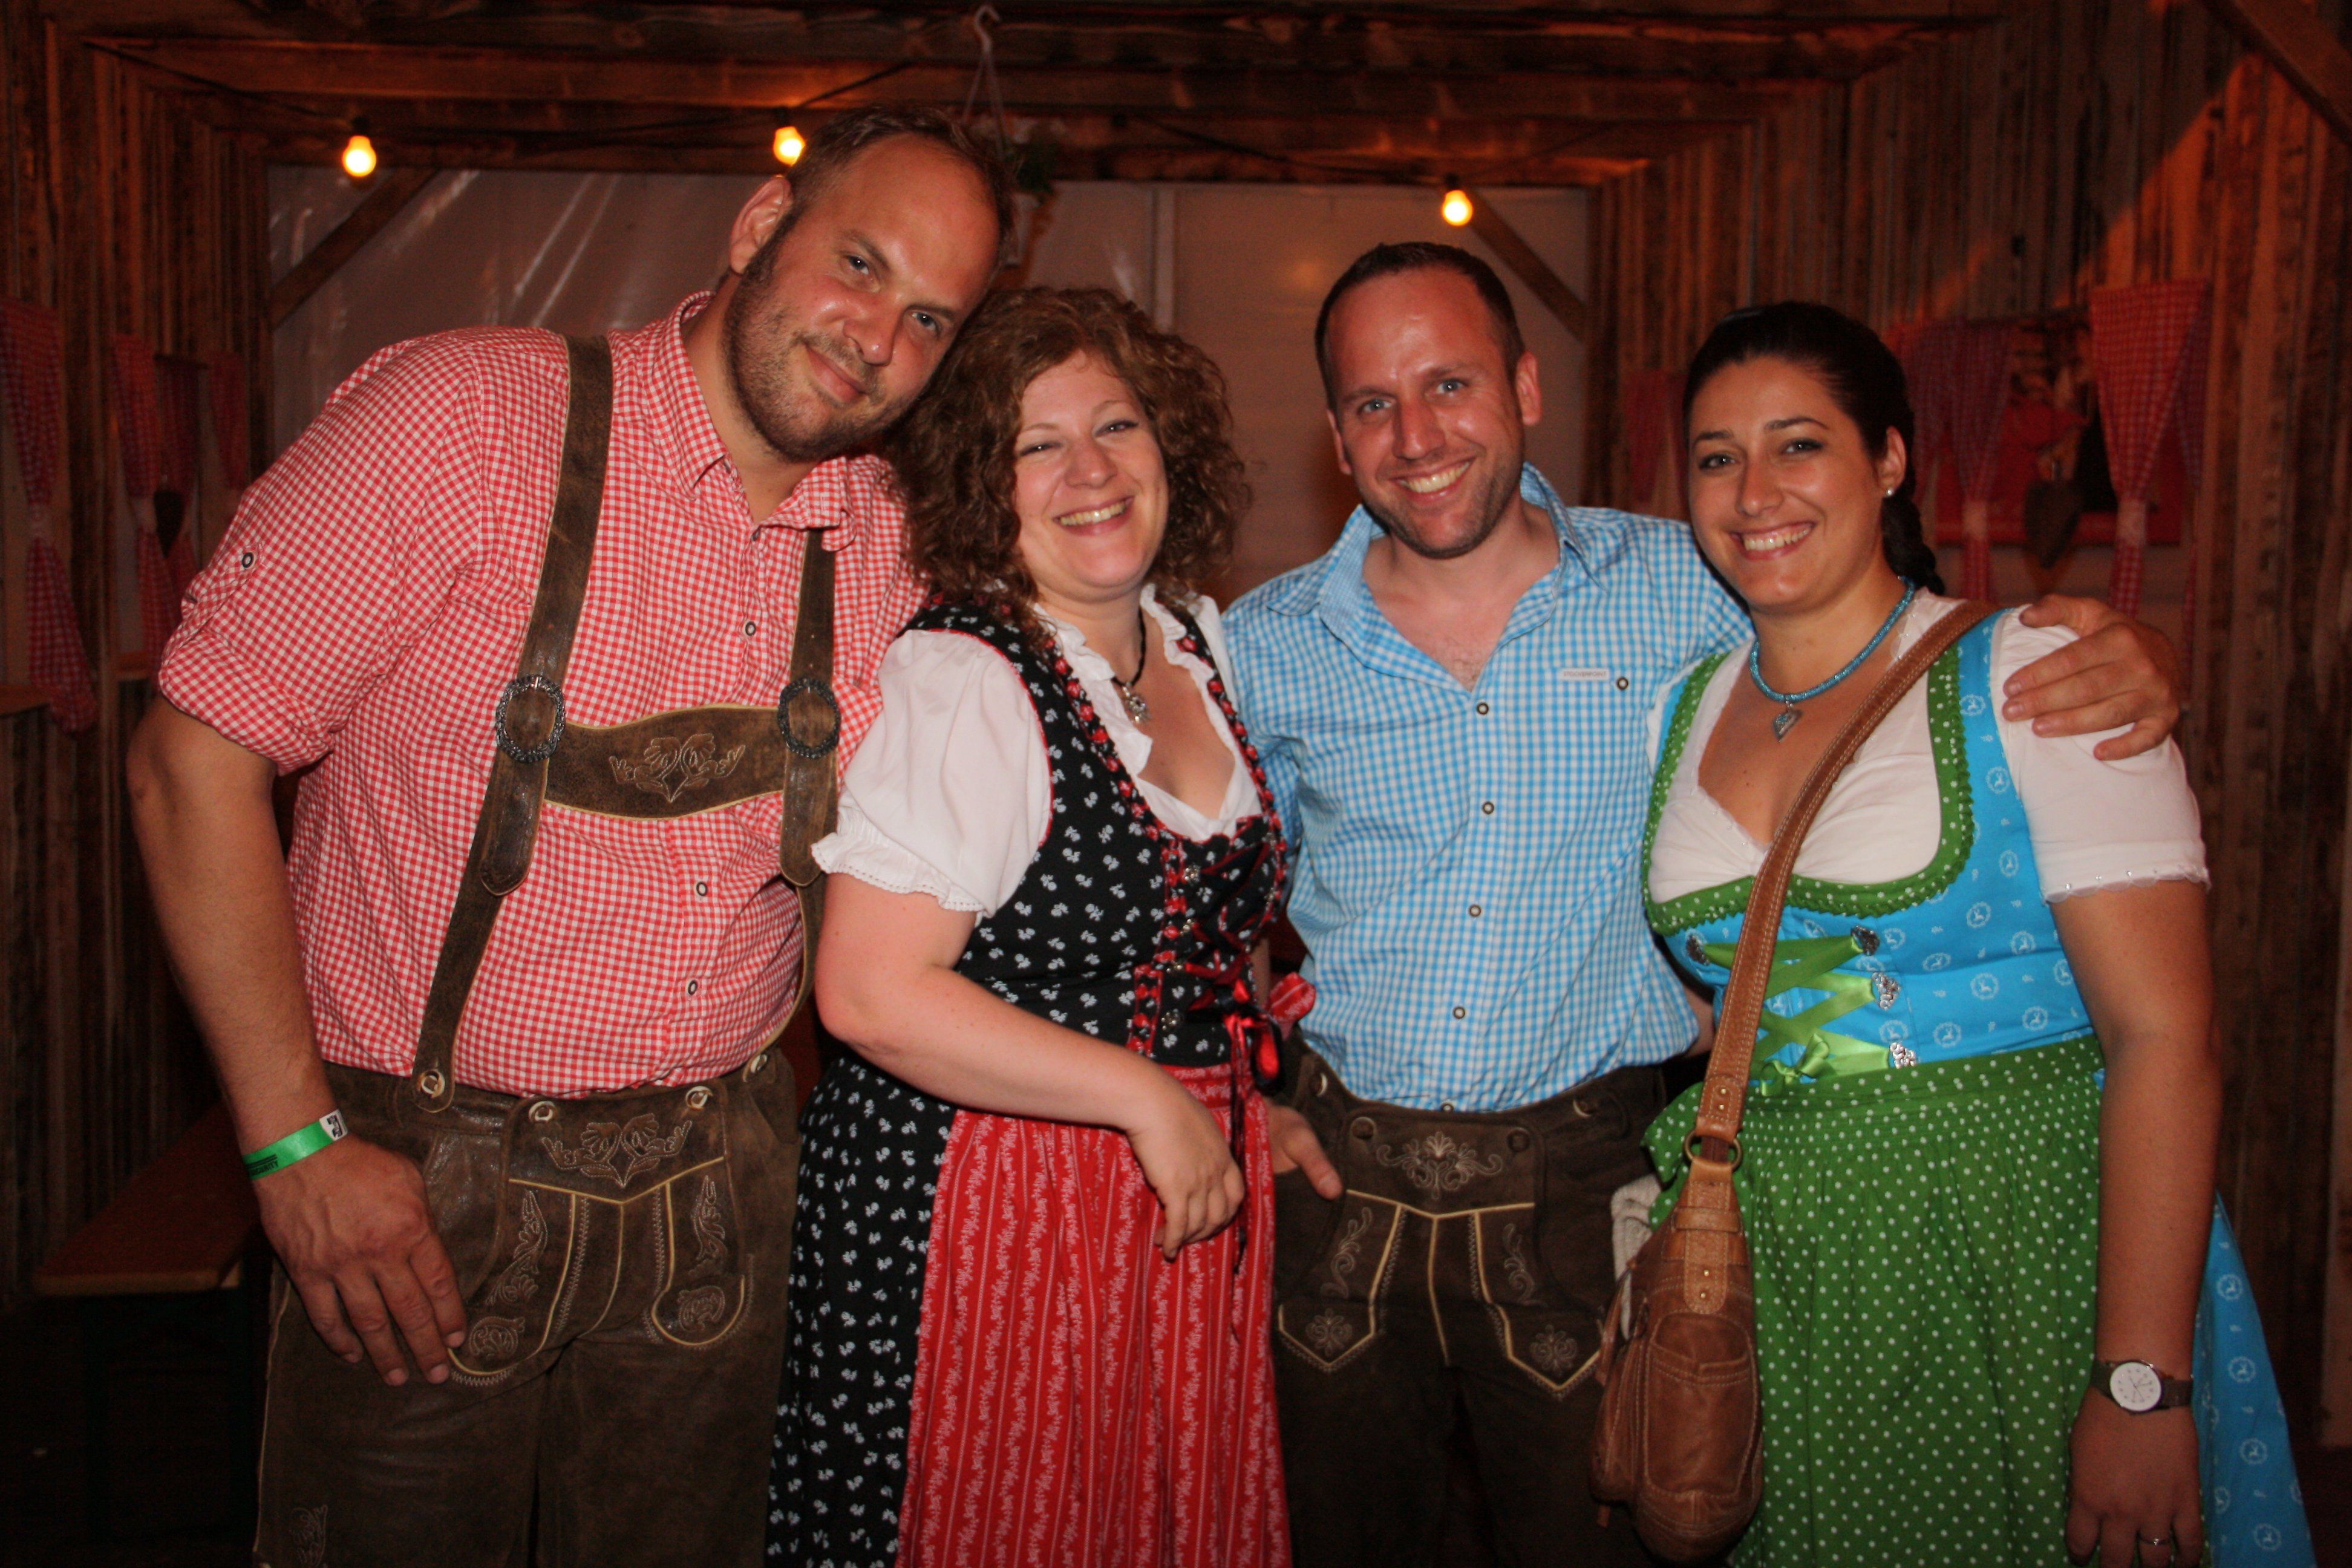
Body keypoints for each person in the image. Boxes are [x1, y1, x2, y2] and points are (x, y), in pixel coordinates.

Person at [124, 108, 1011, 1568]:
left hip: (718, 1201)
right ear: (760, 227)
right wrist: (292, 1146)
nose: (876, 339)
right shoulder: (471, 422)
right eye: (860, 264)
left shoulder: (900, 546)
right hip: (420, 1192)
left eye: (930, 318)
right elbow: (193, 756)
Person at [1220, 243, 2189, 1568]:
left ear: (1525, 387)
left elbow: (1884, 638)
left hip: (1593, 1187)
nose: (1419, 436)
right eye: (1373, 404)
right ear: (1337, 437)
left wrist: (2122, 645)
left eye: (1450, 383)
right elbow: (1193, 892)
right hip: (1339, 1191)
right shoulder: (1260, 645)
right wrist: (1240, 1090)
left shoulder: (1698, 583)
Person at [1638, 301, 2310, 1567]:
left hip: (2014, 1238)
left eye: (1799, 445)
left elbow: (2167, 1037)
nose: (1754, 492)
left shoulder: (2032, 674)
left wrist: (2140, 1384)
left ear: (1890, 458)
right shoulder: (1683, 707)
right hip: (1783, 1263)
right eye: (1718, 457)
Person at [770, 287, 1290, 1568]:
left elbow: (1214, 926)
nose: (1091, 471)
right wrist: (1148, 1097)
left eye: (1116, 426)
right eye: (1036, 445)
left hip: (1166, 1183)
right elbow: (872, 994)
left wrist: (1246, 1098)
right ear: (978, 484)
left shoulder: (1192, 637)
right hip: (993, 1202)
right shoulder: (971, 677)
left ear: (1169, 445)